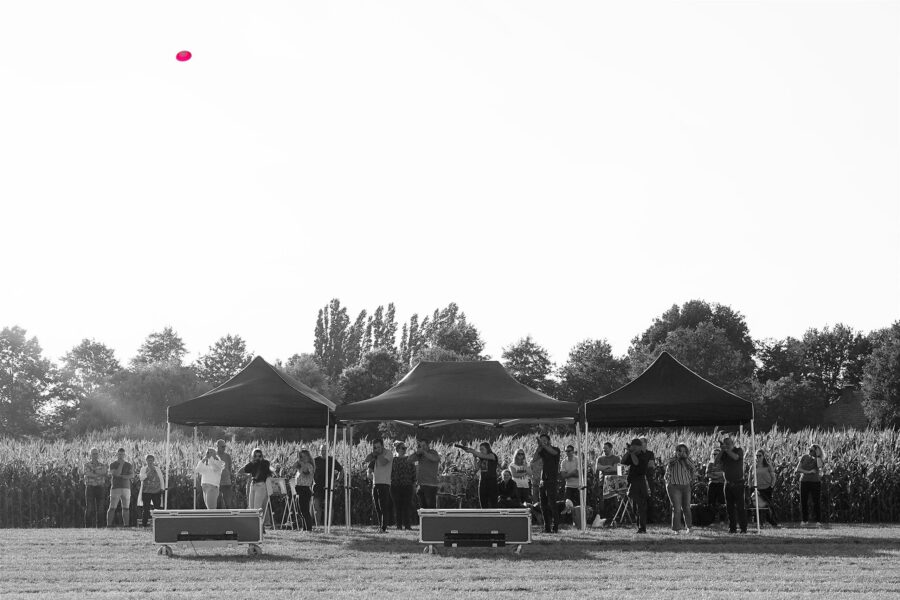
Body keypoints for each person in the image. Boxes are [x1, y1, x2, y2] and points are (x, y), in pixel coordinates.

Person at [620, 438, 653, 533]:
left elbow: (636, 462)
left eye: (635, 446)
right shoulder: (631, 454)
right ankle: (639, 525)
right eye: (632, 446)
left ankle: (642, 527)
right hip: (632, 482)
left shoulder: (644, 455)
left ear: (639, 447)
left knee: (641, 506)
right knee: (634, 506)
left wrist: (632, 453)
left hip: (640, 481)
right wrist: (628, 452)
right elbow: (623, 461)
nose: (633, 448)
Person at [664, 443, 696, 533]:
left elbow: (693, 469)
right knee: (677, 508)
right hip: (674, 486)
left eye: (684, 451)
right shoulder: (672, 460)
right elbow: (669, 463)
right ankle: (676, 529)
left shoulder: (688, 460)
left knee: (687, 507)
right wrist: (678, 457)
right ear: (676, 451)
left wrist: (685, 459)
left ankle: (689, 527)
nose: (682, 453)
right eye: (679, 451)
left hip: (686, 486)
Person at [456, 442, 499, 509]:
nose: (481, 451)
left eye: (482, 449)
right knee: (483, 500)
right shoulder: (481, 458)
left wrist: (472, 451)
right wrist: (475, 457)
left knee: (493, 501)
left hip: (491, 481)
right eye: (480, 449)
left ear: (487, 449)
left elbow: (481, 455)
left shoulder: (492, 455)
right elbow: (476, 468)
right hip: (483, 481)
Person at [719, 437, 747, 534]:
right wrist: (722, 450)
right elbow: (716, 461)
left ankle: (743, 528)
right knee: (729, 508)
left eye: (728, 443)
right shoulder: (724, 453)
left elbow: (735, 457)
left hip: (738, 483)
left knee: (740, 507)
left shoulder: (739, 450)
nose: (726, 445)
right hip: (727, 484)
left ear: (733, 443)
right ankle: (732, 528)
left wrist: (726, 450)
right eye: (724, 443)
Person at [364, 438, 393, 532]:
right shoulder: (376, 455)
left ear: (382, 446)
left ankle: (384, 528)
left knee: (383, 506)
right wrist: (373, 454)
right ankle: (380, 526)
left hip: (384, 483)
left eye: (378, 447)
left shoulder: (388, 453)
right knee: (377, 507)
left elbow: (383, 462)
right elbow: (366, 460)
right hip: (375, 483)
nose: (377, 449)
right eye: (375, 447)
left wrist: (377, 454)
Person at [535, 433, 561, 533]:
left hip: (552, 481)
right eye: (541, 440)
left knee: (552, 504)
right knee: (543, 505)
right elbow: (534, 459)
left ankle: (555, 527)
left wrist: (543, 445)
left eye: (544, 440)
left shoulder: (555, 449)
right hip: (543, 481)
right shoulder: (542, 450)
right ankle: (547, 528)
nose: (542, 441)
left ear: (549, 441)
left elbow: (553, 452)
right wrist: (539, 447)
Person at [313, 443, 343, 528]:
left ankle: (329, 525)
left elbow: (341, 470)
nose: (323, 452)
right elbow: (309, 471)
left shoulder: (332, 460)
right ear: (319, 451)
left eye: (325, 450)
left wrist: (337, 481)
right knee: (316, 506)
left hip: (329, 486)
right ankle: (318, 526)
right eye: (321, 450)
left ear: (327, 451)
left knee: (329, 506)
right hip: (317, 487)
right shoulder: (315, 460)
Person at [795, 444, 824, 525]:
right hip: (804, 481)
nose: (809, 452)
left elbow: (819, 466)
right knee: (803, 502)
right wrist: (809, 472)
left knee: (816, 502)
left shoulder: (818, 459)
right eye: (809, 450)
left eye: (811, 450)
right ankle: (804, 520)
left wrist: (818, 455)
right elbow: (798, 469)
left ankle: (818, 521)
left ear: (816, 451)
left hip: (815, 482)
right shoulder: (804, 457)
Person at [391, 441, 416, 530]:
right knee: (397, 506)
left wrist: (414, 484)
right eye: (403, 448)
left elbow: (413, 473)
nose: (405, 449)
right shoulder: (393, 460)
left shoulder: (409, 459)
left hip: (407, 486)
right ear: (397, 449)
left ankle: (407, 525)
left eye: (405, 448)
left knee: (407, 506)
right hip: (395, 486)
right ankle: (399, 525)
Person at [107, 448, 134, 527]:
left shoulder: (129, 465)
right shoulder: (112, 464)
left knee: (126, 508)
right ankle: (109, 525)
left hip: (126, 488)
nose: (121, 456)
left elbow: (132, 475)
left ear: (124, 455)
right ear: (117, 454)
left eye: (122, 454)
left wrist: (122, 476)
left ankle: (126, 525)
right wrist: (121, 464)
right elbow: (116, 474)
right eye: (119, 454)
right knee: (112, 508)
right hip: (115, 488)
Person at [410, 438, 440, 509]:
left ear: (428, 445)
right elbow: (409, 460)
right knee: (423, 510)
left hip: (430, 485)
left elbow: (435, 458)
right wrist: (416, 453)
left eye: (424, 445)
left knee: (431, 510)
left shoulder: (433, 452)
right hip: (421, 485)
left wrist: (423, 452)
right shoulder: (419, 455)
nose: (422, 447)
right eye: (421, 446)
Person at [595, 442, 620, 527]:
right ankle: (603, 519)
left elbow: (615, 468)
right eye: (603, 448)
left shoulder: (616, 458)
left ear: (610, 448)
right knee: (602, 502)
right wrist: (608, 467)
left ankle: (613, 519)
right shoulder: (600, 458)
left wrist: (604, 468)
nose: (604, 450)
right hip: (602, 483)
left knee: (613, 502)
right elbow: (598, 467)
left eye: (606, 448)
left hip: (612, 483)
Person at [82, 447, 108, 528]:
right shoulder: (86, 465)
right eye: (93, 454)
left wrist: (93, 471)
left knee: (100, 508)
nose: (95, 455)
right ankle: (88, 527)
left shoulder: (102, 465)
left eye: (96, 454)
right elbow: (88, 474)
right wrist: (98, 473)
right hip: (90, 487)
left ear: (98, 455)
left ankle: (100, 526)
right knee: (89, 508)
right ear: (90, 455)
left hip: (100, 488)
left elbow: (104, 472)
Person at [242, 448, 273, 515]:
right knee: (251, 508)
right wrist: (252, 462)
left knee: (257, 508)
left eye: (259, 456)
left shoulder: (265, 463)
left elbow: (266, 469)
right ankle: (254, 521)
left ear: (262, 456)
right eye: (255, 456)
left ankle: (259, 521)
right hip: (253, 485)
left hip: (260, 486)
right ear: (253, 456)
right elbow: (244, 469)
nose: (257, 458)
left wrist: (259, 461)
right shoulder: (253, 464)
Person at [755, 450, 779, 528]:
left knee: (769, 506)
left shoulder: (768, 466)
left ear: (763, 456)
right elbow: (750, 477)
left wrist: (771, 486)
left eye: (760, 456)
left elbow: (773, 477)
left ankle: (773, 522)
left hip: (767, 489)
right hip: (758, 489)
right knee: (760, 506)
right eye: (757, 456)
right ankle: (761, 523)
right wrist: (751, 486)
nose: (758, 457)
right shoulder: (754, 466)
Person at [138, 454, 164, 527]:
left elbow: (161, 478)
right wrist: (149, 472)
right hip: (146, 491)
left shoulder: (157, 469)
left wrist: (162, 488)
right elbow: (141, 478)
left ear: (153, 461)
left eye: (151, 460)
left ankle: (158, 525)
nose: (150, 462)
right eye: (148, 460)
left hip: (156, 491)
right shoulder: (143, 469)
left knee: (157, 508)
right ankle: (144, 524)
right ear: (146, 461)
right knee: (146, 509)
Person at [293, 448, 315, 531]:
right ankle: (304, 527)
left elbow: (306, 472)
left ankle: (308, 528)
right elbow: (292, 468)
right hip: (299, 489)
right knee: (300, 511)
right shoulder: (300, 466)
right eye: (300, 457)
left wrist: (302, 464)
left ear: (308, 457)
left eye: (304, 456)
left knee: (304, 510)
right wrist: (297, 463)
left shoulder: (309, 465)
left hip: (304, 489)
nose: (302, 458)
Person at [705, 448, 726, 520]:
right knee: (711, 502)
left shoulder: (723, 464)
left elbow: (725, 474)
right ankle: (711, 518)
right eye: (714, 454)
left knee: (722, 502)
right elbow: (707, 475)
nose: (715, 455)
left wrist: (714, 474)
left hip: (721, 484)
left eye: (717, 454)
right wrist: (718, 475)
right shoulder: (710, 464)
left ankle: (723, 518)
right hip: (712, 484)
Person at [215, 439, 235, 509]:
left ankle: (228, 516)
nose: (224, 448)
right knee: (217, 504)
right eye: (222, 446)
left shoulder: (227, 456)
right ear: (217, 446)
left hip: (226, 482)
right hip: (216, 483)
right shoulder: (213, 456)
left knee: (228, 504)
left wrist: (230, 478)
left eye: (224, 446)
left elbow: (230, 468)